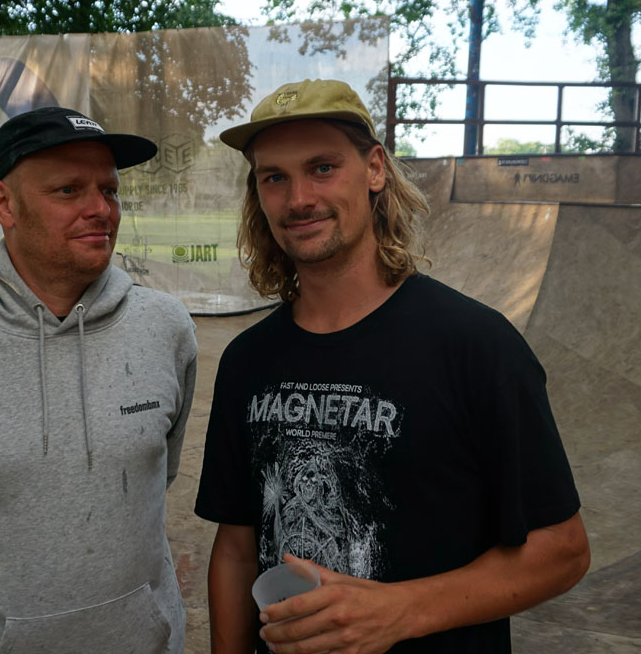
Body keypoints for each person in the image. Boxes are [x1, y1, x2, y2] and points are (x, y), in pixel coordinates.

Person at [195, 80, 589, 653]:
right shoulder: (247, 360)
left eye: (323, 168)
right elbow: (236, 549)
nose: (298, 198)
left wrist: (398, 612)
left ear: (375, 169)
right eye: (273, 177)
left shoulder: (475, 345)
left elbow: (564, 551)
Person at [0, 106, 198, 653]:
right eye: (68, 190)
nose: (101, 210)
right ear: (3, 203)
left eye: (109, 191)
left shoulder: (166, 329)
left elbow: (154, 474)